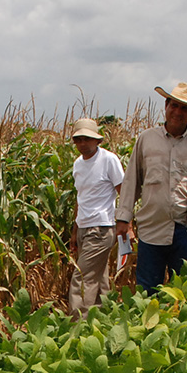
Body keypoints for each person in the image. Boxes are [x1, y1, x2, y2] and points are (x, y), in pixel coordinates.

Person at [115, 83, 187, 292]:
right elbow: (131, 181)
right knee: (147, 289)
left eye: (184, 108)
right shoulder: (147, 139)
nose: (177, 112)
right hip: (151, 227)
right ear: (166, 105)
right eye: (174, 106)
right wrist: (123, 218)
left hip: (185, 229)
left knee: (182, 291)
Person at [68, 118, 124, 317]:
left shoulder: (108, 160)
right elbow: (80, 198)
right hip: (84, 227)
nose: (82, 144)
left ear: (97, 140)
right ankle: (106, 319)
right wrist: (75, 232)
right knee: (99, 281)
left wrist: (127, 225)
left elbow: (123, 193)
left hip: (101, 228)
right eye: (78, 140)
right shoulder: (78, 164)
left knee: (81, 279)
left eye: (86, 139)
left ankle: (76, 327)